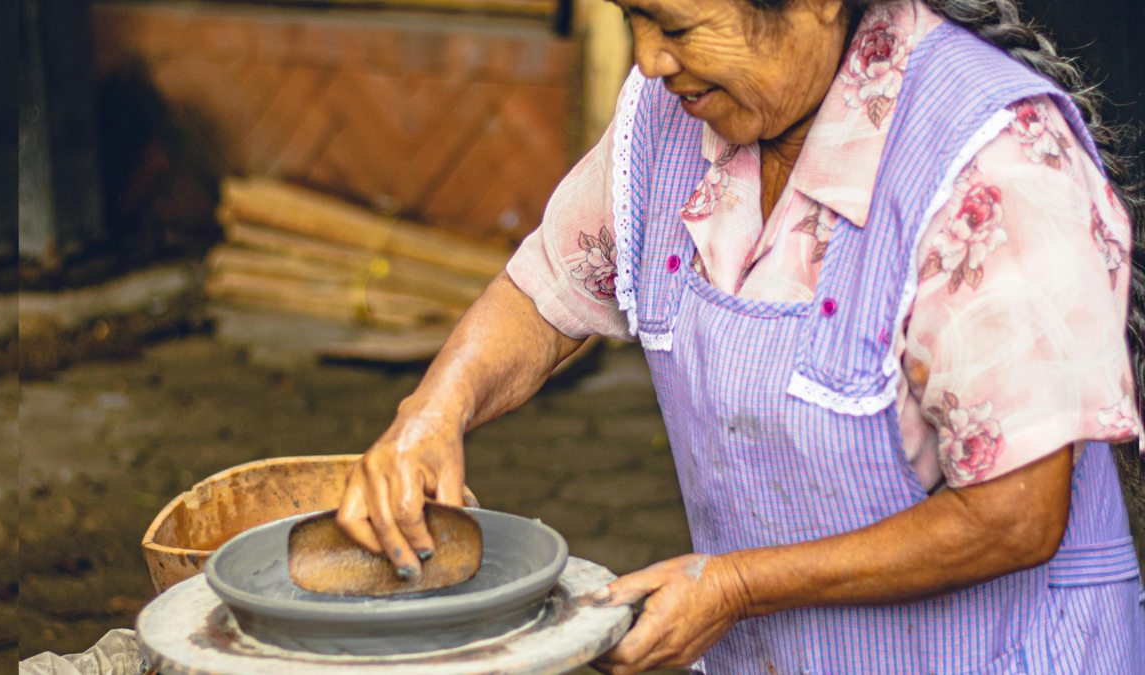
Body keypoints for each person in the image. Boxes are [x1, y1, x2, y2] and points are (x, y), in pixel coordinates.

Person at [334, 0, 1145, 672]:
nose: (649, 60)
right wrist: (432, 412)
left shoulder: (994, 167)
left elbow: (1014, 517)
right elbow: (547, 289)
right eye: (629, 18)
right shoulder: (674, 115)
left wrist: (734, 586)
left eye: (676, 28)